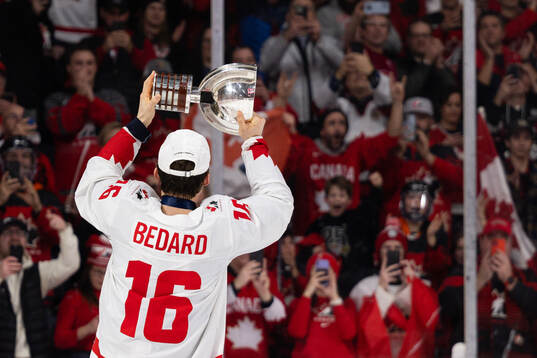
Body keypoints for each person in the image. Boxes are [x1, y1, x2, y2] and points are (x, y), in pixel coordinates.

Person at [74, 72, 293, 357]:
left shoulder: (126, 211)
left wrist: (139, 125)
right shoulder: (218, 227)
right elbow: (278, 204)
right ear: (205, 180)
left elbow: (95, 178)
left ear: (156, 174)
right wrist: (253, 142)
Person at [284, 76, 405, 235]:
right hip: (311, 235)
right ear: (322, 130)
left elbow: (391, 137)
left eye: (342, 123)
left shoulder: (354, 150)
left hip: (349, 236)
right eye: (332, 123)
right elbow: (282, 149)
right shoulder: (306, 150)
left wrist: (397, 103)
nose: (338, 128)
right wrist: (281, 103)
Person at [45, 45, 130, 204]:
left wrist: (91, 98)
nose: (85, 69)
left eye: (90, 63)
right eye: (79, 63)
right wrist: (80, 96)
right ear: (69, 68)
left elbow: (119, 129)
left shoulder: (112, 97)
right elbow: (63, 127)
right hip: (67, 188)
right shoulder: (55, 99)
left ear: (96, 67)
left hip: (105, 186)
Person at [350, 224, 439, 358]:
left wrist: (412, 283)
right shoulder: (364, 286)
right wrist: (381, 288)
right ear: (379, 253)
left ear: (404, 253)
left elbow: (428, 318)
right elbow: (362, 328)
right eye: (387, 247)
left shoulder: (420, 284)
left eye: (397, 248)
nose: (392, 251)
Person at [0, 213, 80, 358]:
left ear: (26, 240)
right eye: (7, 233)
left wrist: (64, 231)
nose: (14, 237)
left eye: (19, 233)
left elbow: (70, 264)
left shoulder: (37, 272)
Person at [259, 0, 344, 129]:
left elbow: (343, 65)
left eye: (308, 10)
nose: (303, 14)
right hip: (289, 119)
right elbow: (265, 66)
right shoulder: (275, 42)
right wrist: (287, 36)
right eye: (298, 9)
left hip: (324, 121)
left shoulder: (327, 41)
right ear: (288, 15)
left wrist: (319, 41)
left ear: (315, 15)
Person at [476, 217, 537, 357]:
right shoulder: (465, 273)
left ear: (511, 244)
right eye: (491, 236)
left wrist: (511, 281)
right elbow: (447, 306)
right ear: (481, 241)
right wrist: (479, 280)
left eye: (503, 237)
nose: (496, 243)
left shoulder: (526, 276)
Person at [287, 252, 356, 358]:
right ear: (310, 275)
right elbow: (297, 333)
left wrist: (334, 298)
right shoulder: (299, 303)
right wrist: (308, 293)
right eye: (317, 271)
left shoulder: (347, 304)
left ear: (334, 275)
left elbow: (349, 334)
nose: (322, 275)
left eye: (327, 272)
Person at [55, 234, 112, 357]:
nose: (102, 278)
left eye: (106, 273)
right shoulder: (74, 298)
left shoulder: (115, 298)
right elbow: (59, 340)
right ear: (89, 270)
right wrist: (88, 329)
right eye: (98, 271)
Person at [225, 253, 286, 358]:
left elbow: (279, 319)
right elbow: (211, 311)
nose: (245, 253)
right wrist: (236, 285)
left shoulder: (265, 277)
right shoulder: (220, 277)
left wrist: (264, 292)